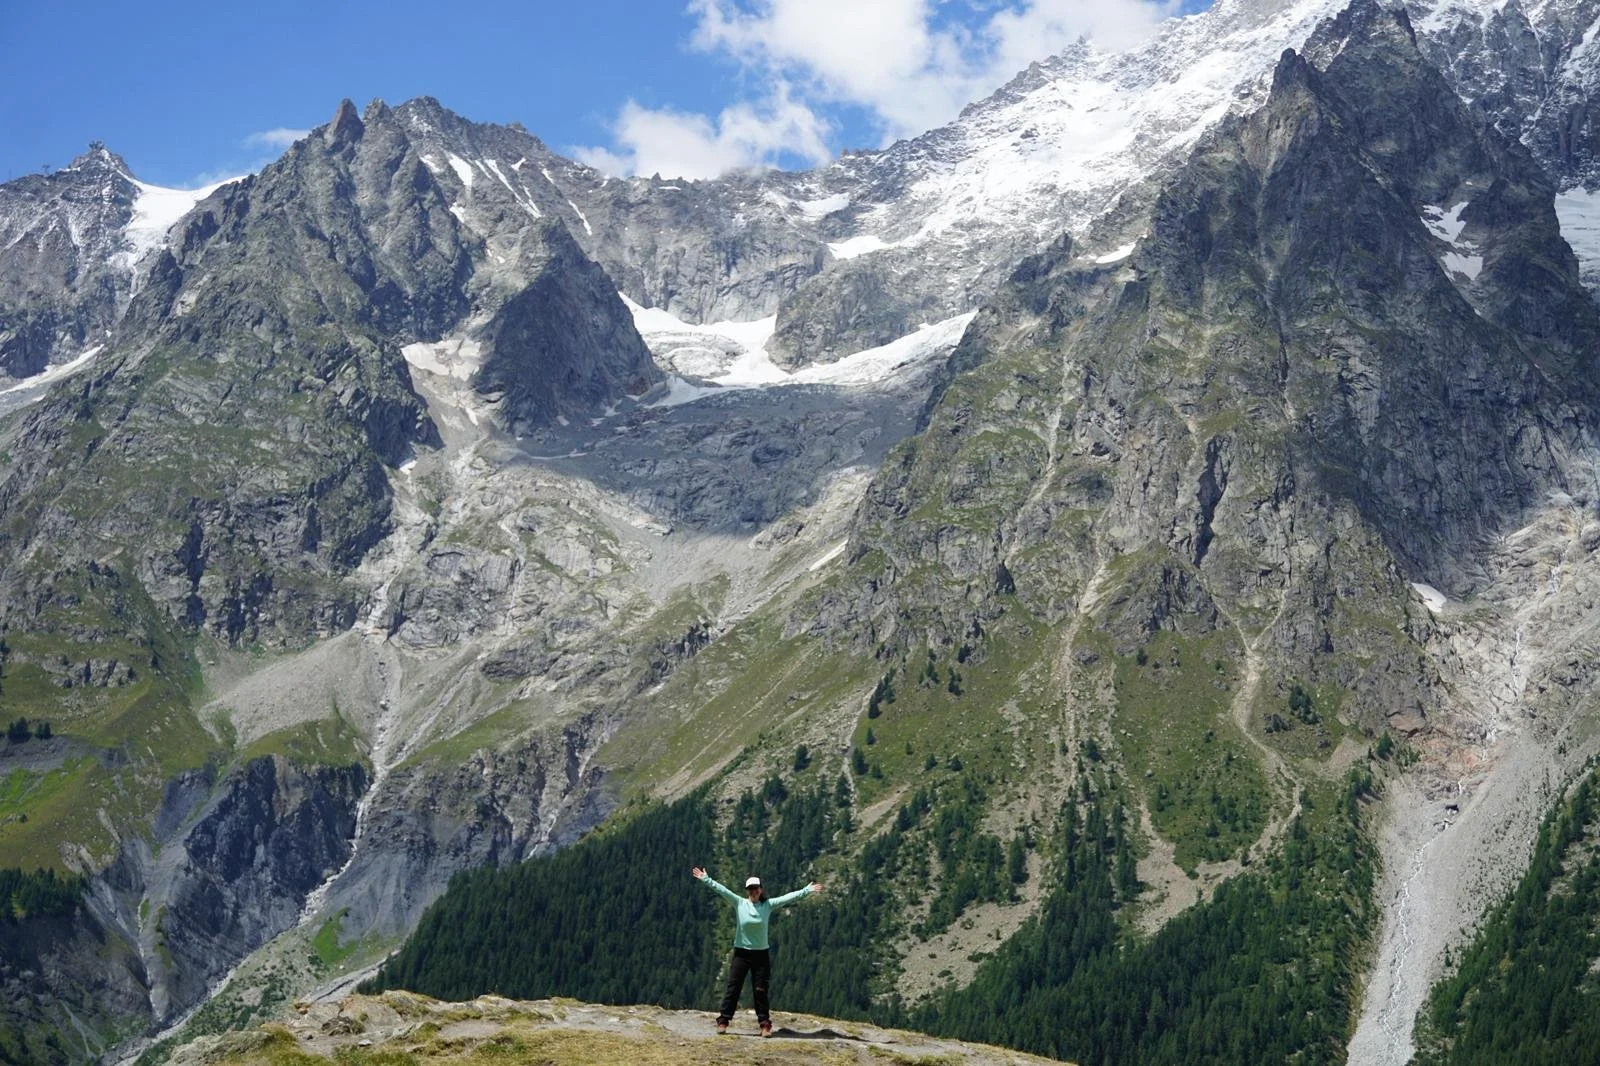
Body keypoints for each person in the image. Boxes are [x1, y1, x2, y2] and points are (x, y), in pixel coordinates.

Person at [691, 865, 823, 1037]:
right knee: (733, 988)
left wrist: (807, 889)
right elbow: (722, 890)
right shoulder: (739, 903)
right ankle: (723, 1021)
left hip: (761, 955)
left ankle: (765, 1025)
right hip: (741, 954)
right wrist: (706, 879)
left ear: (761, 889)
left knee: (760, 991)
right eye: (751, 889)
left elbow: (789, 897)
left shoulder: (768, 905)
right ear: (747, 890)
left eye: (756, 888)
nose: (754, 891)